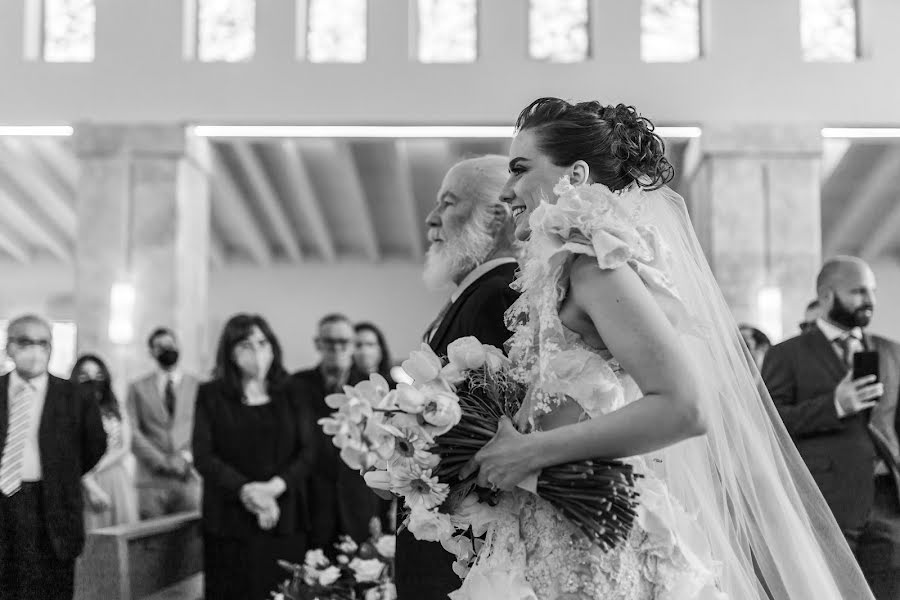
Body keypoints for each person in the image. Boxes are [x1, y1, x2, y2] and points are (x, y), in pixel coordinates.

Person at [454, 98, 873, 599]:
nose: (506, 191)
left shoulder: (595, 265)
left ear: (577, 174)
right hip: (556, 524)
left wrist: (531, 452)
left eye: (520, 170)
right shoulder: (559, 273)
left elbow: (685, 407)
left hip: (595, 549)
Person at [396, 155, 521, 600]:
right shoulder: (474, 293)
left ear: (497, 216)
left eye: (448, 203)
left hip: (464, 550)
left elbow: (492, 431)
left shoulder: (499, 294)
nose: (432, 219)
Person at [762, 256, 900, 599]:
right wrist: (835, 405)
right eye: (857, 291)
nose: (869, 300)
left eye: (872, 291)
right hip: (825, 503)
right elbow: (770, 424)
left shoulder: (892, 352)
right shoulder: (786, 355)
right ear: (826, 296)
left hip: (887, 503)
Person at [193, 314, 314, 600]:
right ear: (230, 351)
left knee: (281, 591)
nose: (257, 352)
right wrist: (248, 491)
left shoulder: (293, 391)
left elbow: (308, 452)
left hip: (285, 515)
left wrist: (273, 488)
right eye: (246, 345)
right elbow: (204, 455)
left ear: (272, 347)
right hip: (229, 518)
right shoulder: (212, 394)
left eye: (262, 343)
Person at [0, 315, 106, 600]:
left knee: (51, 587)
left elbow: (95, 445)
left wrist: (64, 473)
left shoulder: (74, 396)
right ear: (9, 347)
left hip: (53, 503)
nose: (35, 351)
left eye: (43, 343)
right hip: (5, 503)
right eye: (26, 342)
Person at [293, 314, 391, 548]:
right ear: (318, 344)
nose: (336, 347)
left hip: (361, 498)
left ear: (352, 345)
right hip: (311, 500)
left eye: (343, 342)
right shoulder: (296, 385)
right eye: (329, 341)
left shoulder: (374, 386)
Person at [126, 327, 200, 519]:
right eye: (160, 346)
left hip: (188, 476)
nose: (167, 349)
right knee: (151, 542)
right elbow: (132, 431)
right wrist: (162, 461)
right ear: (151, 352)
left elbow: (203, 427)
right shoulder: (137, 388)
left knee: (190, 541)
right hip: (151, 480)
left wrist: (186, 457)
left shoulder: (197, 386)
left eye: (170, 344)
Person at [71, 354, 139, 531]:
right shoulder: (69, 408)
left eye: (98, 374)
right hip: (83, 480)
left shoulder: (115, 407)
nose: (92, 379)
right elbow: (70, 450)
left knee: (121, 536)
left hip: (115, 477)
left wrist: (95, 467)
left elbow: (124, 446)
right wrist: (90, 484)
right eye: (84, 374)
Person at [353, 321, 395, 386]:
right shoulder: (340, 386)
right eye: (358, 345)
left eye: (370, 344)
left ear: (381, 349)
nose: (364, 350)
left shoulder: (395, 388)